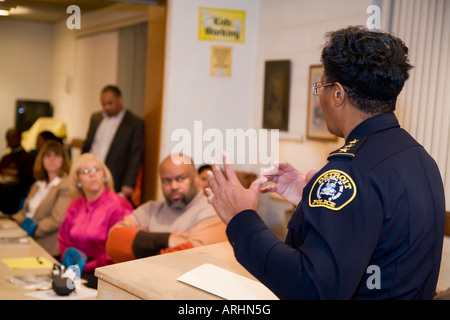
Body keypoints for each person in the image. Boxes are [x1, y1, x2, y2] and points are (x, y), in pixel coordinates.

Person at [206, 26, 446, 300]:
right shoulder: (420, 158)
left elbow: (312, 288)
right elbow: (377, 237)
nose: (319, 98)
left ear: (338, 94)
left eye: (319, 87)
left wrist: (242, 219)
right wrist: (312, 202)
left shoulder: (351, 171)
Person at [105, 154, 227, 263]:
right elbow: (113, 242)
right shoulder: (149, 209)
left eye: (180, 179)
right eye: (167, 181)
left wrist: (141, 240)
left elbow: (194, 258)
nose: (173, 186)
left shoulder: (212, 210)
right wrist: (170, 238)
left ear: (195, 176)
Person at [58, 153, 133, 288]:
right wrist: (72, 265)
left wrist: (85, 267)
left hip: (106, 274)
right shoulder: (75, 205)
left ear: (104, 176)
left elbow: (117, 251)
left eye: (96, 170)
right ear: (78, 181)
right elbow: (64, 239)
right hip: (75, 270)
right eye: (85, 171)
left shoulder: (118, 205)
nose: (92, 174)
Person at [10, 140, 72, 258]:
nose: (52, 159)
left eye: (56, 155)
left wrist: (30, 231)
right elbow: (25, 212)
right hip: (27, 239)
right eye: (48, 155)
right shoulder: (38, 184)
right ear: (41, 159)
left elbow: (56, 220)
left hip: (46, 246)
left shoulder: (66, 185)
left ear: (63, 159)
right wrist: (10, 221)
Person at [81, 85, 144, 200]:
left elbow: (135, 156)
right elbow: (87, 146)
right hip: (92, 175)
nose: (106, 107)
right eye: (103, 104)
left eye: (110, 103)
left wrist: (129, 183)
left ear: (120, 99)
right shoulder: (96, 118)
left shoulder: (134, 123)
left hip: (115, 178)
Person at [0, 128, 35, 214]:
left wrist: (16, 173)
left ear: (20, 138)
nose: (13, 139)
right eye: (10, 137)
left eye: (15, 136)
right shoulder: (5, 158)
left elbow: (30, 175)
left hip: (19, 192)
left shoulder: (28, 157)